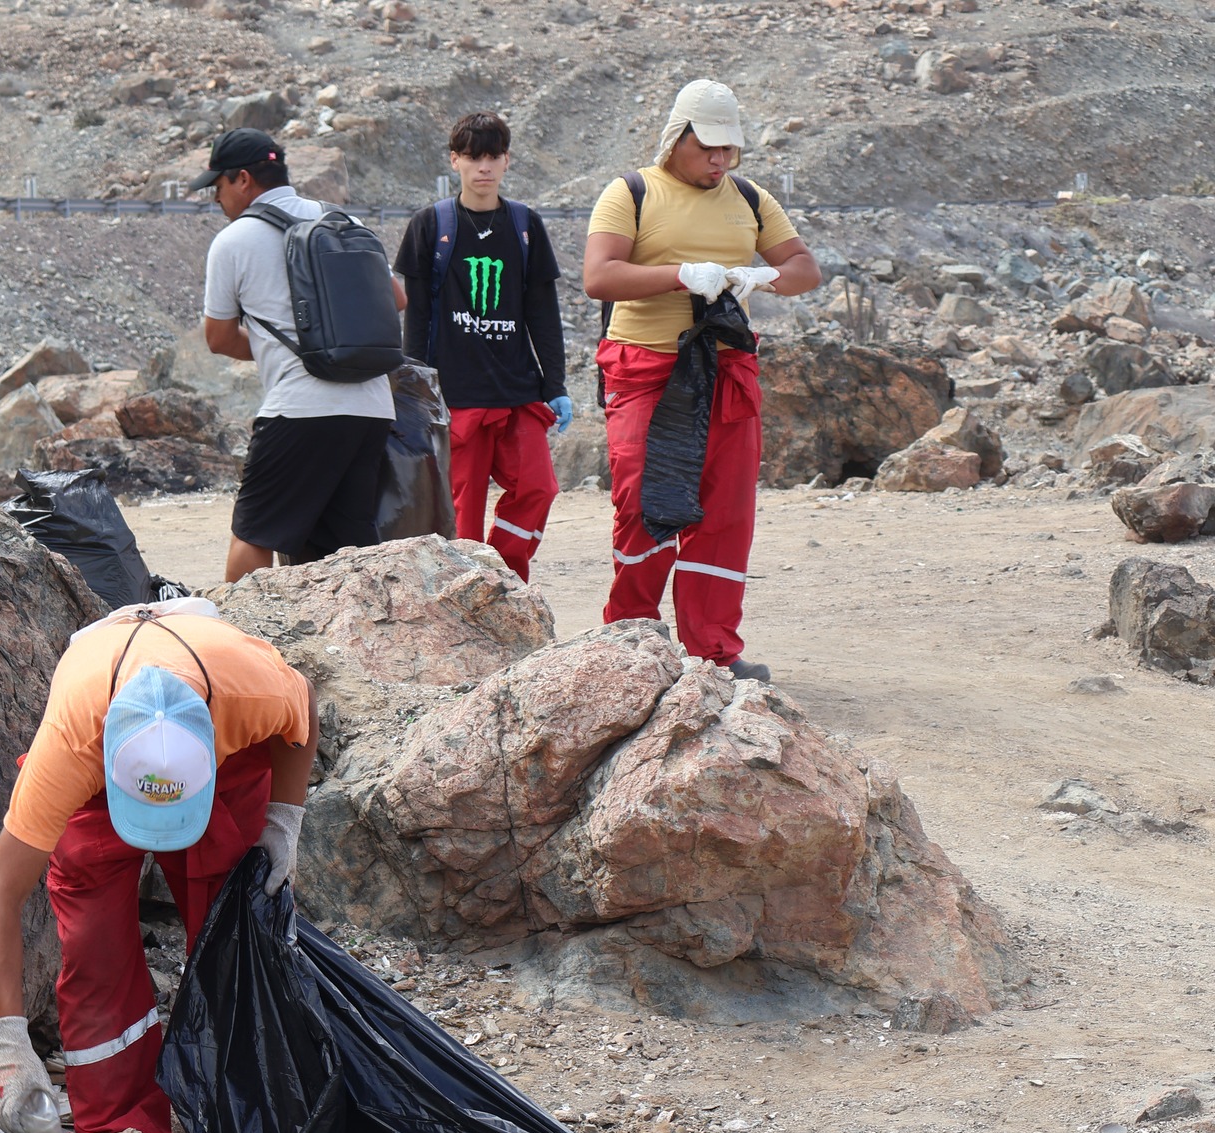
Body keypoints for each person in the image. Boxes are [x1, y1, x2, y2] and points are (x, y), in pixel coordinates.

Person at [0, 599, 318, 1133]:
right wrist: (10, 1045)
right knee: (95, 956)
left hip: (222, 753)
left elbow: (302, 710)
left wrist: (283, 821)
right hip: (101, 758)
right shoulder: (72, 745)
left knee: (234, 934)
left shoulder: (250, 695)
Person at [582, 79, 820, 682]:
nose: (719, 160)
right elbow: (599, 276)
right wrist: (680, 274)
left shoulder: (750, 197)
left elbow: (803, 268)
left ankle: (712, 650)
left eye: (728, 149)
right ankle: (631, 636)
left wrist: (763, 278)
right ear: (676, 138)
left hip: (725, 369)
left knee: (725, 510)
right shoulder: (631, 192)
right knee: (643, 501)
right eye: (708, 147)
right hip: (646, 367)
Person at [195, 129, 406, 583]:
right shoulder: (343, 220)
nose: (216, 198)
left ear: (243, 179)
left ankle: (240, 626)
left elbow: (218, 338)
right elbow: (397, 300)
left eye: (218, 185)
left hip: (298, 410)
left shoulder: (234, 240)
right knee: (343, 550)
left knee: (254, 535)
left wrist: (278, 346)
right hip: (371, 408)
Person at [392, 111, 571, 581]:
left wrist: (555, 385)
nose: (484, 167)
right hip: (457, 397)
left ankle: (504, 578)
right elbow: (417, 317)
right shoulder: (429, 225)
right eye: (473, 157)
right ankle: (464, 598)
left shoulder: (526, 225)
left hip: (517, 391)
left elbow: (543, 314)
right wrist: (416, 395)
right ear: (455, 160)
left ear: (507, 160)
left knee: (538, 488)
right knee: (462, 518)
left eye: (493, 156)